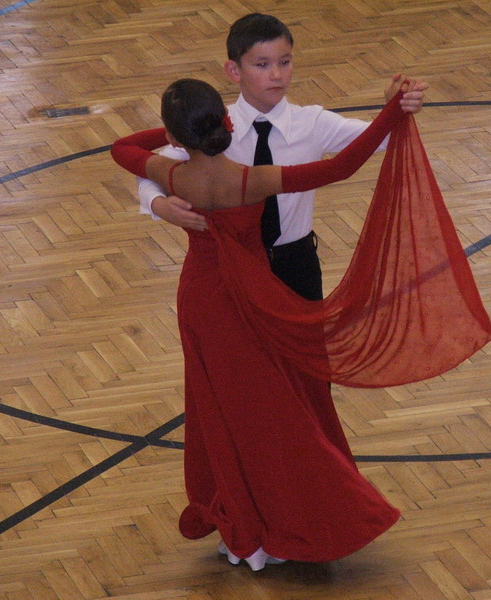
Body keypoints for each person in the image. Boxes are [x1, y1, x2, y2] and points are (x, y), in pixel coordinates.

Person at [112, 76, 491, 571]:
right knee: (271, 415)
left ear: (176, 136)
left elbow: (122, 148)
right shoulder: (252, 180)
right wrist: (392, 114)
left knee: (220, 412)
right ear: (225, 123)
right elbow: (341, 166)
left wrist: (177, 142)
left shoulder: (173, 175)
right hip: (252, 302)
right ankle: (290, 519)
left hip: (201, 304)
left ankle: (243, 521)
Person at [137, 12, 429, 526]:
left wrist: (394, 111)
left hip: (295, 269)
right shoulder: (214, 128)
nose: (276, 74)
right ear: (233, 71)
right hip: (236, 275)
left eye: (285, 62)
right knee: (247, 398)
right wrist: (158, 205)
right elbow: (154, 169)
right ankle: (263, 502)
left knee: (308, 388)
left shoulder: (313, 123)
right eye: (262, 64)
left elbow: (379, 140)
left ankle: (314, 502)